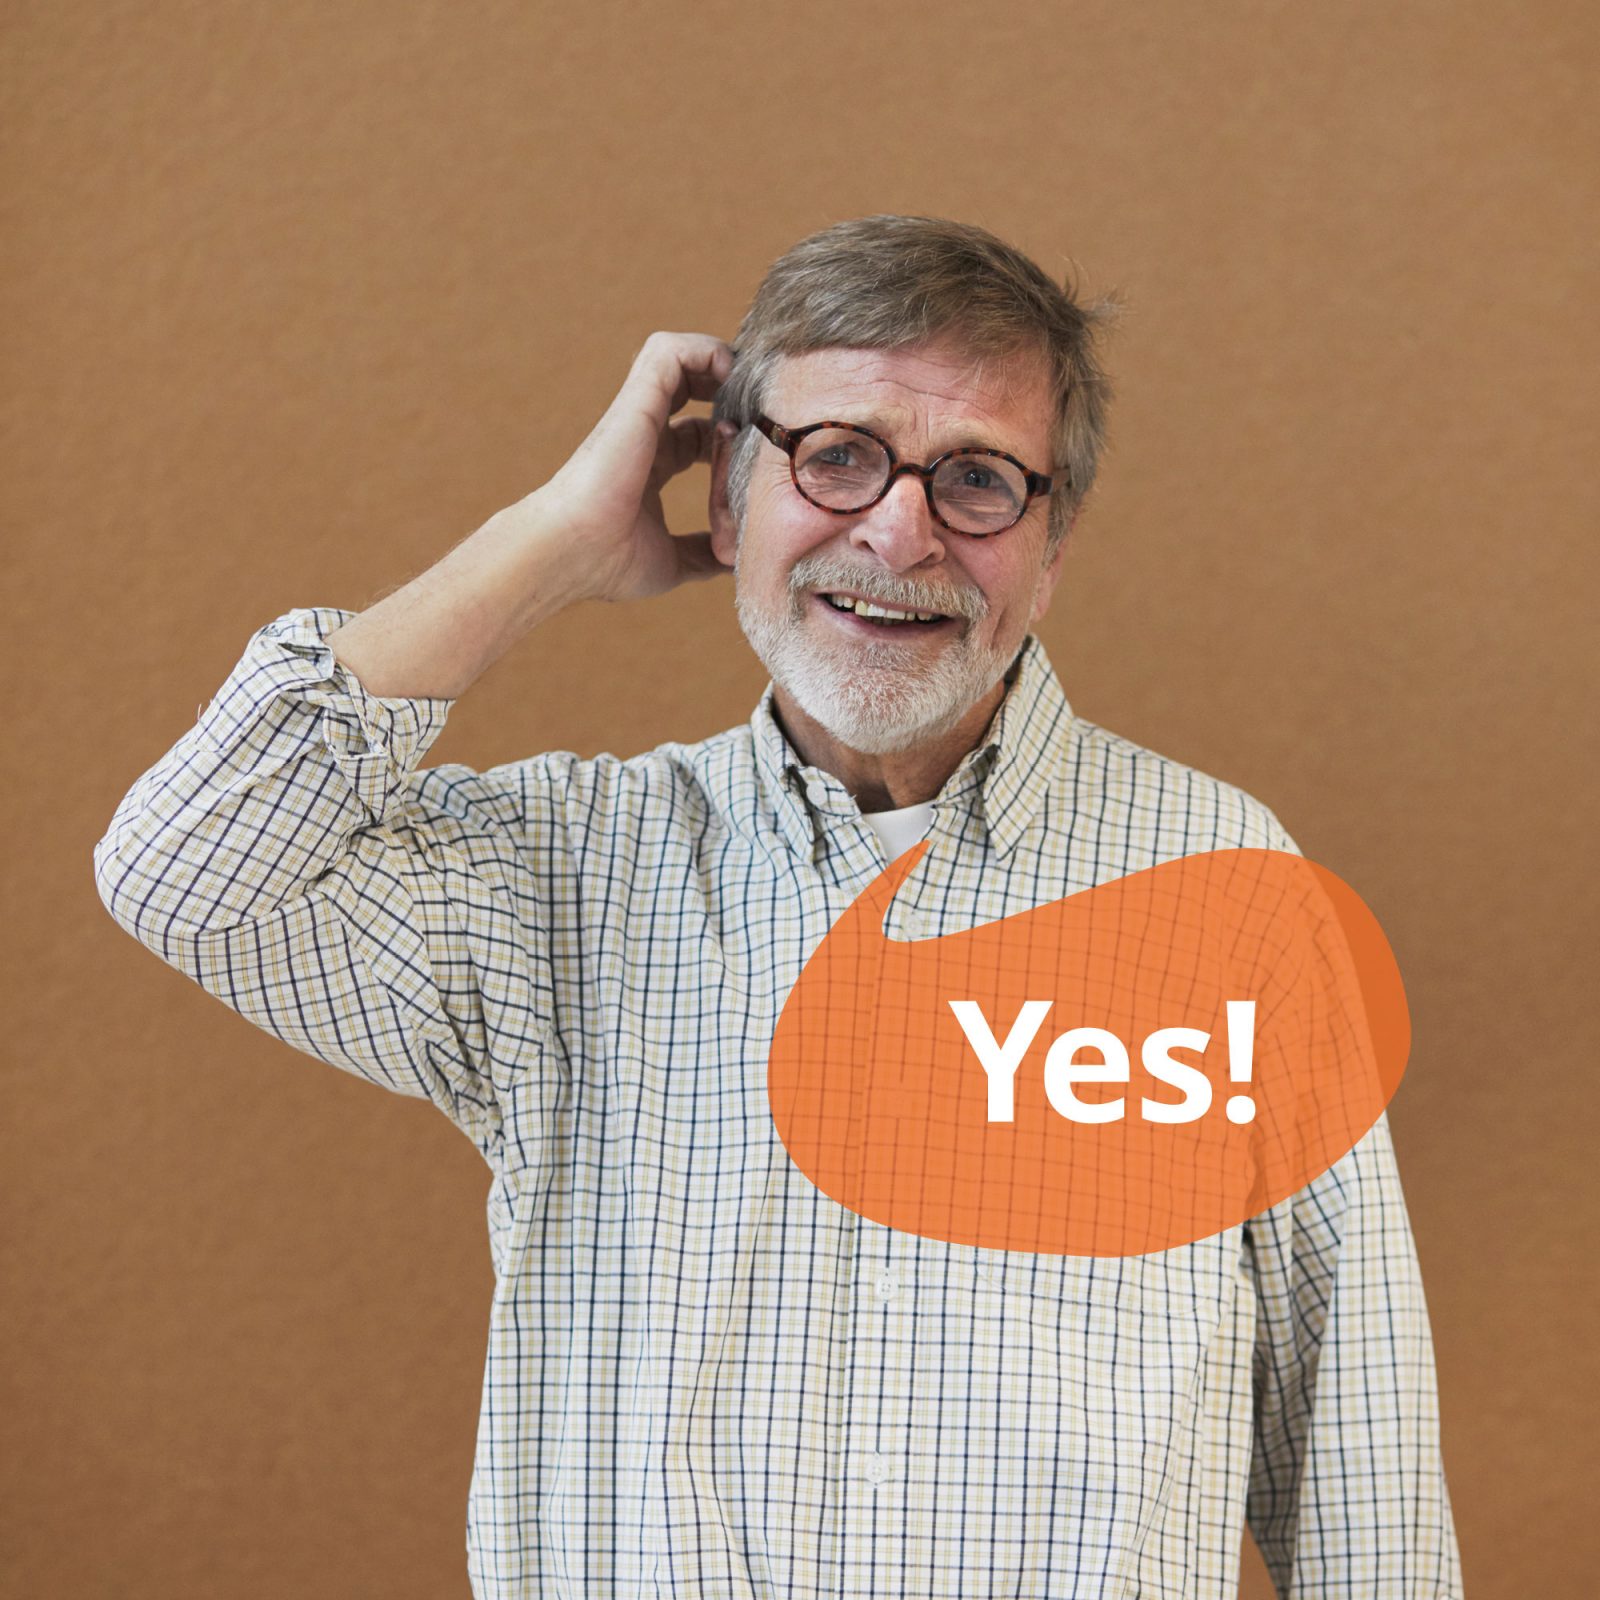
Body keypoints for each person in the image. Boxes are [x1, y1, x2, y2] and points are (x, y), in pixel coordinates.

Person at [93, 215, 1463, 1598]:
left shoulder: (1230, 897)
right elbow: (184, 867)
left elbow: (1361, 1464)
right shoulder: (564, 875)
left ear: (1050, 553)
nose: (901, 529)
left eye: (978, 479)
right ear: (731, 498)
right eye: (839, 457)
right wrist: (554, 540)